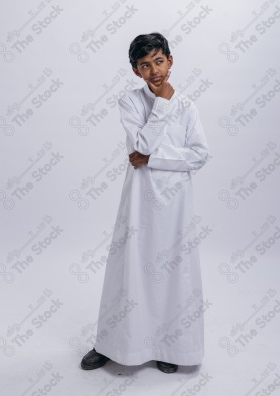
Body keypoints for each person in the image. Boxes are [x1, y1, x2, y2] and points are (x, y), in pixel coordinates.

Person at [81, 33, 210, 374]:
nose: (154, 70)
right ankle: (112, 343)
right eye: (144, 65)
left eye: (159, 61)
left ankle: (171, 346)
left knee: (171, 270)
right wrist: (162, 105)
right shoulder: (130, 102)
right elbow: (139, 142)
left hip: (175, 202)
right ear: (136, 71)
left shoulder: (188, 106)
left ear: (170, 60)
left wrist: (153, 158)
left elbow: (198, 156)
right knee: (129, 268)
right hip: (139, 199)